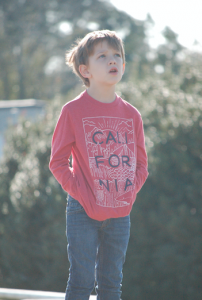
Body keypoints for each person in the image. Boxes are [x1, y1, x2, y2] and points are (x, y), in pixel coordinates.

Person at [49, 30, 148, 300]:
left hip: (120, 214)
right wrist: (81, 192)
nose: (112, 60)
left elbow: (141, 166)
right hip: (82, 211)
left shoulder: (132, 115)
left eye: (117, 55)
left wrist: (127, 193)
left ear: (124, 65)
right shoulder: (72, 111)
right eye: (102, 56)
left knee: (111, 285)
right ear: (85, 70)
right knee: (81, 282)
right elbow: (57, 162)